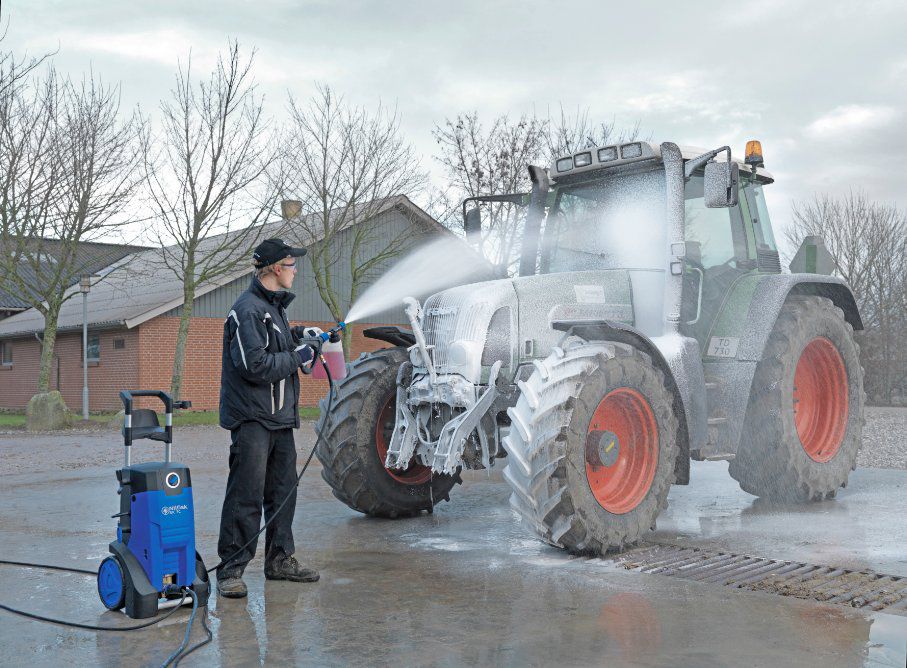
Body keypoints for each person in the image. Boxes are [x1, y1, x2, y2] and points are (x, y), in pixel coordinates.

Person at [216, 238, 321, 599]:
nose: (295, 271)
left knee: (283, 493)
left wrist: (297, 335)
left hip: (278, 418)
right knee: (246, 495)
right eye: (292, 265)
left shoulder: (271, 307)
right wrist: (300, 354)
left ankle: (279, 560)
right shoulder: (246, 309)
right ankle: (230, 570)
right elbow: (254, 364)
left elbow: (272, 341)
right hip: (253, 419)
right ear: (276, 268)